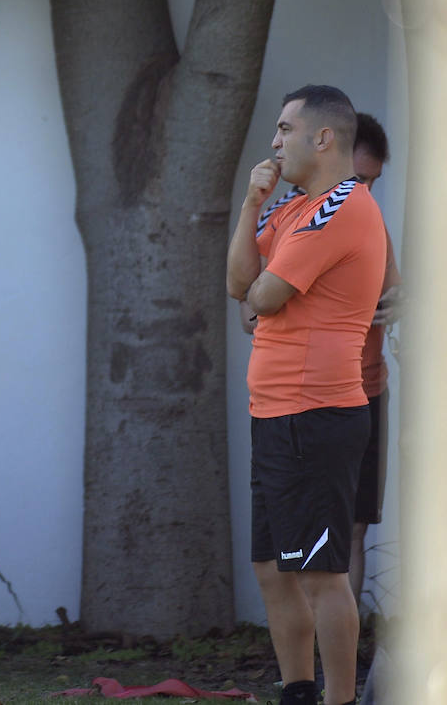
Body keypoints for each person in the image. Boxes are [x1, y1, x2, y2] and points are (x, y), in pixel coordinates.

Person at [226, 85, 386, 705]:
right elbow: (239, 282)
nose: (274, 141)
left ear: (322, 138)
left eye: (284, 129)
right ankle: (298, 691)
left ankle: (338, 699)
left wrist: (258, 291)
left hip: (314, 414)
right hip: (274, 414)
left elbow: (262, 299)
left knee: (320, 574)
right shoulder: (290, 206)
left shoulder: (340, 207)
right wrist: (249, 205)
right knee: (272, 568)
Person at [348, 112, 402, 606]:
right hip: (311, 396)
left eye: (372, 182)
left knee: (354, 527)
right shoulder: (289, 219)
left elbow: (394, 293)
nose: (365, 192)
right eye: (357, 179)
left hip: (368, 392)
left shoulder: (373, 225)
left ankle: (341, 658)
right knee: (309, 534)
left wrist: (396, 303)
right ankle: (305, 658)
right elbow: (251, 311)